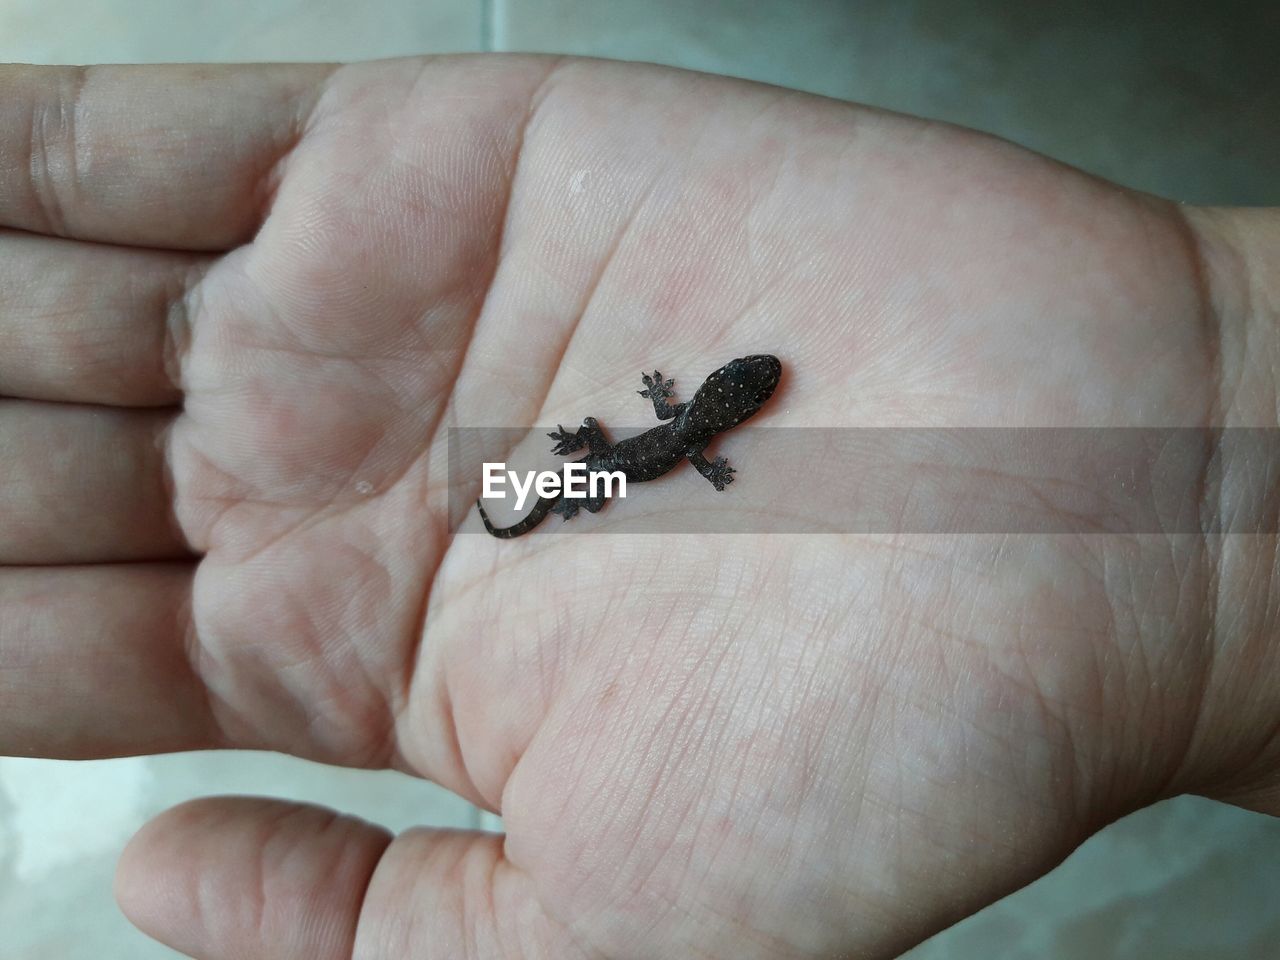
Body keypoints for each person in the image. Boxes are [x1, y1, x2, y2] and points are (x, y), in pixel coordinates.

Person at [0, 54, 1275, 960]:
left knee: (558, 485)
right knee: (548, 493)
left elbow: (669, 437)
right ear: (724, 405)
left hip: (611, 456)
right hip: (605, 462)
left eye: (736, 395)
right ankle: (521, 504)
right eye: (738, 389)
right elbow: (665, 449)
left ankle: (526, 500)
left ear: (722, 406)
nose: (744, 392)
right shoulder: (695, 440)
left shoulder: (693, 430)